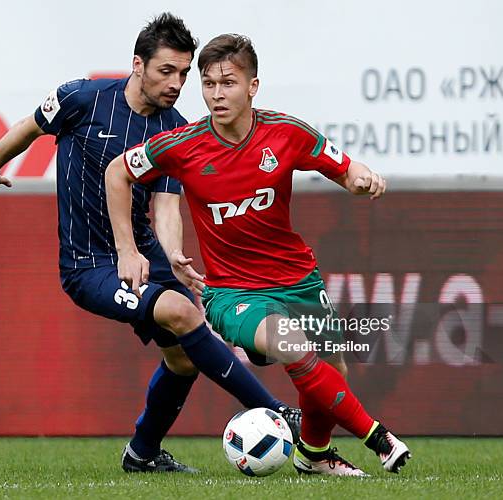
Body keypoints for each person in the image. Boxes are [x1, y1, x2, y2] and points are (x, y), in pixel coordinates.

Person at [0, 17, 300, 474]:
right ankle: (275, 411)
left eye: (185, 74)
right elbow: (29, 128)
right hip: (89, 265)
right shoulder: (81, 98)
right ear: (137, 64)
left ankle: (142, 453)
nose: (177, 83)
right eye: (167, 71)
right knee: (185, 315)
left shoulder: (176, 130)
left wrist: (172, 256)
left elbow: (166, 205)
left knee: (184, 356)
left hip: (145, 254)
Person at [107, 33, 412, 476]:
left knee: (333, 369)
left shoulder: (286, 133)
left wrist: (363, 178)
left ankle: (313, 455)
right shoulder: (182, 145)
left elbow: (346, 169)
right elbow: (118, 171)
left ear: (252, 87)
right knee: (294, 346)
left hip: (298, 278)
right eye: (208, 84)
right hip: (232, 293)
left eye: (227, 83)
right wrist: (127, 249)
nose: (216, 94)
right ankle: (379, 438)